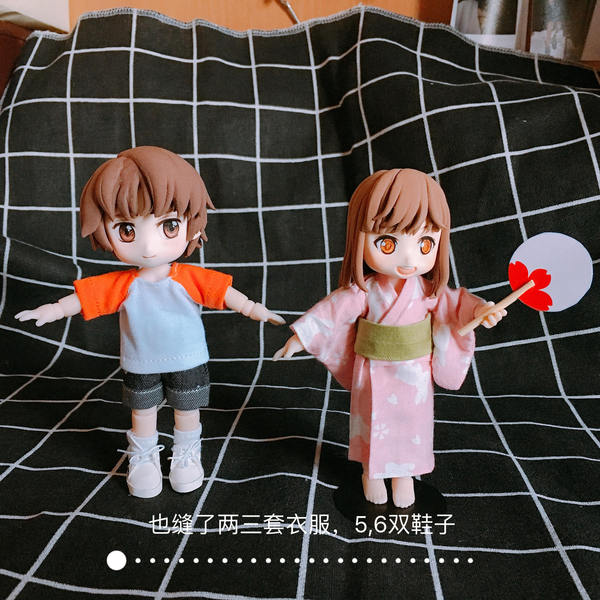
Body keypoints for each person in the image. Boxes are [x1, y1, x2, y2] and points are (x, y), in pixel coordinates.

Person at [16, 146, 284, 498]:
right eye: (127, 230)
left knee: (187, 412)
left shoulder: (189, 277)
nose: (148, 246)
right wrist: (52, 310)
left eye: (169, 226)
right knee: (142, 415)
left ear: (190, 224)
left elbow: (226, 294)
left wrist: (254, 309)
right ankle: (143, 457)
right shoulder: (123, 284)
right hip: (140, 363)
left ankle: (187, 454)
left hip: (187, 360)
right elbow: (84, 298)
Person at [274, 169, 505, 508]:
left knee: (411, 427)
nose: (409, 258)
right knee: (374, 423)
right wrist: (301, 338)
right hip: (373, 371)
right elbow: (334, 310)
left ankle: (404, 476)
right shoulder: (367, 290)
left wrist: (481, 310)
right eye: (388, 243)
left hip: (415, 373)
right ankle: (371, 473)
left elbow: (456, 305)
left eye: (424, 244)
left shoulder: (428, 291)